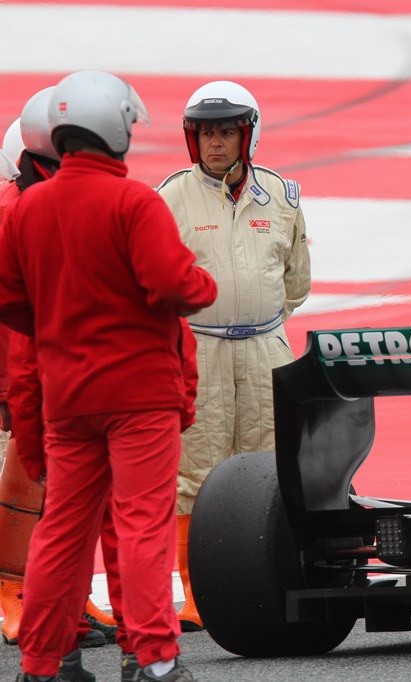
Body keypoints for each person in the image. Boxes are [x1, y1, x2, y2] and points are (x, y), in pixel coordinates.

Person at [0, 70, 216, 682]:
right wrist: (203, 284)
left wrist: (63, 322)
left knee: (61, 531)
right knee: (141, 524)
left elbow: (12, 303)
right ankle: (154, 659)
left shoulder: (30, 208)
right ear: (115, 129)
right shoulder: (134, 202)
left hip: (68, 396)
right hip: (139, 395)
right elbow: (177, 286)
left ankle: (41, 664)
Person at [157, 80, 311, 631]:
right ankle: (199, 596)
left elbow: (297, 282)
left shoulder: (282, 196)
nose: (214, 143)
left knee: (268, 464)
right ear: (190, 138)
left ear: (249, 135)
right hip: (198, 348)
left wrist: (257, 324)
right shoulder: (169, 197)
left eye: (225, 132)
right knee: (195, 470)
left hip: (265, 348)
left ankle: (268, 576)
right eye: (204, 133)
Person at [0, 91, 122, 654]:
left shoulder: (40, 204)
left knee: (68, 507)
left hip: (62, 381)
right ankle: (21, 598)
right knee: (40, 500)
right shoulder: (18, 210)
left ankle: (60, 614)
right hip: (46, 381)